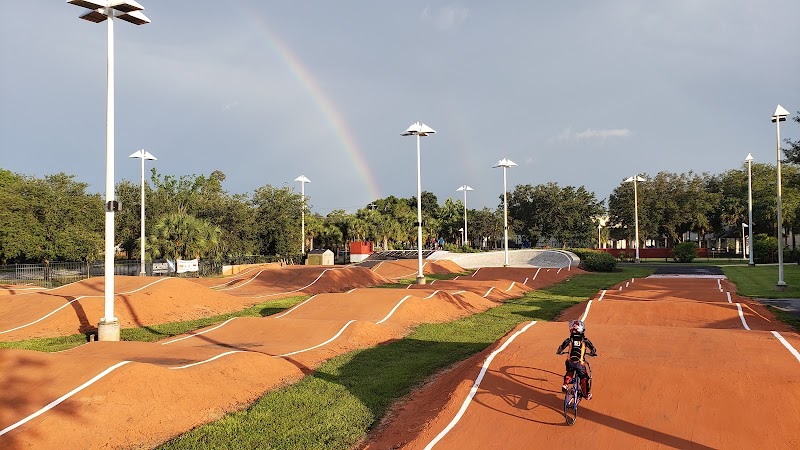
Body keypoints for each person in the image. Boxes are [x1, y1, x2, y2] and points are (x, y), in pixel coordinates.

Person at [556, 319, 597, 400]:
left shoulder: (569, 339)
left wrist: (560, 352)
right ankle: (586, 394)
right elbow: (593, 350)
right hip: (580, 364)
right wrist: (592, 353)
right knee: (584, 378)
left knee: (570, 371)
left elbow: (560, 348)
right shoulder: (585, 340)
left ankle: (566, 383)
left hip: (570, 362)